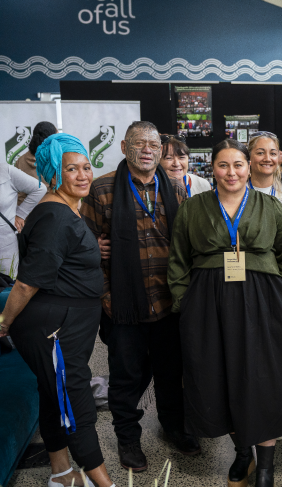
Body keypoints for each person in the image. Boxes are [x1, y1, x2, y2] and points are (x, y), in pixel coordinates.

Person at [168, 139, 282, 487]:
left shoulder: (271, 206)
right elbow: (179, 260)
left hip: (264, 305)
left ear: (249, 168)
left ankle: (265, 466)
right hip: (208, 306)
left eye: (238, 165)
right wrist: (185, 303)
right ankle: (242, 451)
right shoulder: (192, 208)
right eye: (223, 165)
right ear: (211, 168)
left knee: (263, 381)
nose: (231, 172)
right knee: (221, 378)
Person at [80, 121, 199, 473]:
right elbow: (85, 248)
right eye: (139, 143)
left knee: (170, 372)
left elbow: (189, 245)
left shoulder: (177, 190)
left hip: (169, 302)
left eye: (153, 143)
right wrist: (105, 296)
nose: (147, 149)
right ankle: (128, 438)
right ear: (123, 147)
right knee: (126, 376)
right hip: (123, 305)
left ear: (161, 151)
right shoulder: (101, 190)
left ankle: (174, 426)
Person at [0, 134, 116, 487]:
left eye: (85, 166)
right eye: (71, 169)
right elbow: (25, 283)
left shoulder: (63, 210)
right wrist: (4, 323)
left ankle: (62, 475)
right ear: (53, 173)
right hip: (54, 328)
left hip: (66, 324)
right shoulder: (54, 215)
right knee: (75, 401)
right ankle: (104, 483)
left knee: (54, 396)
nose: (83, 175)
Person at [0, 152, 46, 277]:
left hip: (5, 247)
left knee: (7, 288)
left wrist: (21, 214)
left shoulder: (5, 171)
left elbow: (39, 189)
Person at [16, 121, 56, 204]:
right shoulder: (54, 160)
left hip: (26, 212)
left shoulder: (20, 161)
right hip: (50, 209)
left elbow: (19, 195)